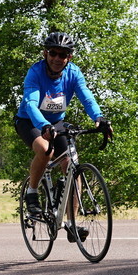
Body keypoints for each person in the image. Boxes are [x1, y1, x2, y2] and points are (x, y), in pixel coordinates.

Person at [14, 32, 113, 241]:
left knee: (72, 165)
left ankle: (71, 223)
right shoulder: (35, 72)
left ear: (69, 57)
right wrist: (43, 125)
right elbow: (31, 103)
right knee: (45, 150)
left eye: (63, 54)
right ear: (45, 53)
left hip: (57, 122)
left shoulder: (74, 73)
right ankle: (32, 192)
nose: (57, 58)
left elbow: (86, 97)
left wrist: (99, 117)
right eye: (53, 53)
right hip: (30, 121)